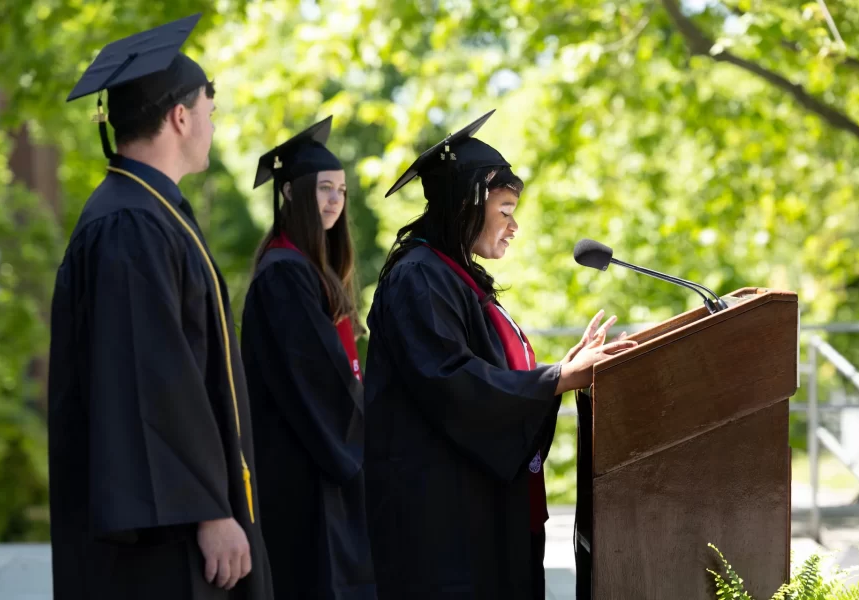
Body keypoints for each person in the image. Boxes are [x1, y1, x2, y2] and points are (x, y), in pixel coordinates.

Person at [363, 110, 637, 600]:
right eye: (505, 209)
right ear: (466, 204)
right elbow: (451, 381)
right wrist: (555, 379)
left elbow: (483, 375)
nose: (514, 226)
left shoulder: (451, 274)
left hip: (470, 511)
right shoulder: (419, 277)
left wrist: (559, 372)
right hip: (440, 522)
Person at [49, 14, 272, 600]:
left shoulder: (148, 211)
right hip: (163, 542)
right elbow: (151, 380)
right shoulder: (130, 223)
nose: (212, 126)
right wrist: (208, 510)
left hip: (178, 526)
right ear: (179, 116)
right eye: (210, 111)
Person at [240, 116, 375, 599]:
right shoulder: (283, 275)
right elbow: (319, 384)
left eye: (340, 189)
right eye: (323, 188)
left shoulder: (310, 271)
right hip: (304, 472)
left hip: (320, 464)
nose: (335, 200)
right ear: (292, 193)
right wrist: (372, 435)